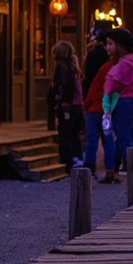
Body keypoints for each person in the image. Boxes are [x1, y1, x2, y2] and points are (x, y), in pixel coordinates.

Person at [103, 28, 133, 177]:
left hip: (126, 102)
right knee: (132, 136)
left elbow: (111, 85)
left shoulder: (123, 64)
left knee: (123, 138)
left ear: (120, 46)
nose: (107, 47)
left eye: (110, 44)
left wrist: (107, 105)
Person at [82, 52, 117, 183]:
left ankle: (89, 168)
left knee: (92, 139)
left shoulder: (105, 68)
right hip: (108, 110)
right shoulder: (120, 70)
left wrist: (86, 105)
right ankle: (110, 170)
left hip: (95, 109)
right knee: (109, 141)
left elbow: (94, 89)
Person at [51, 41, 84, 169]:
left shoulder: (62, 67)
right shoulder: (73, 67)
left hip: (68, 105)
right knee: (74, 134)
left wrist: (64, 101)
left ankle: (67, 161)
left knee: (65, 134)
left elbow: (65, 86)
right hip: (77, 105)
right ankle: (77, 158)